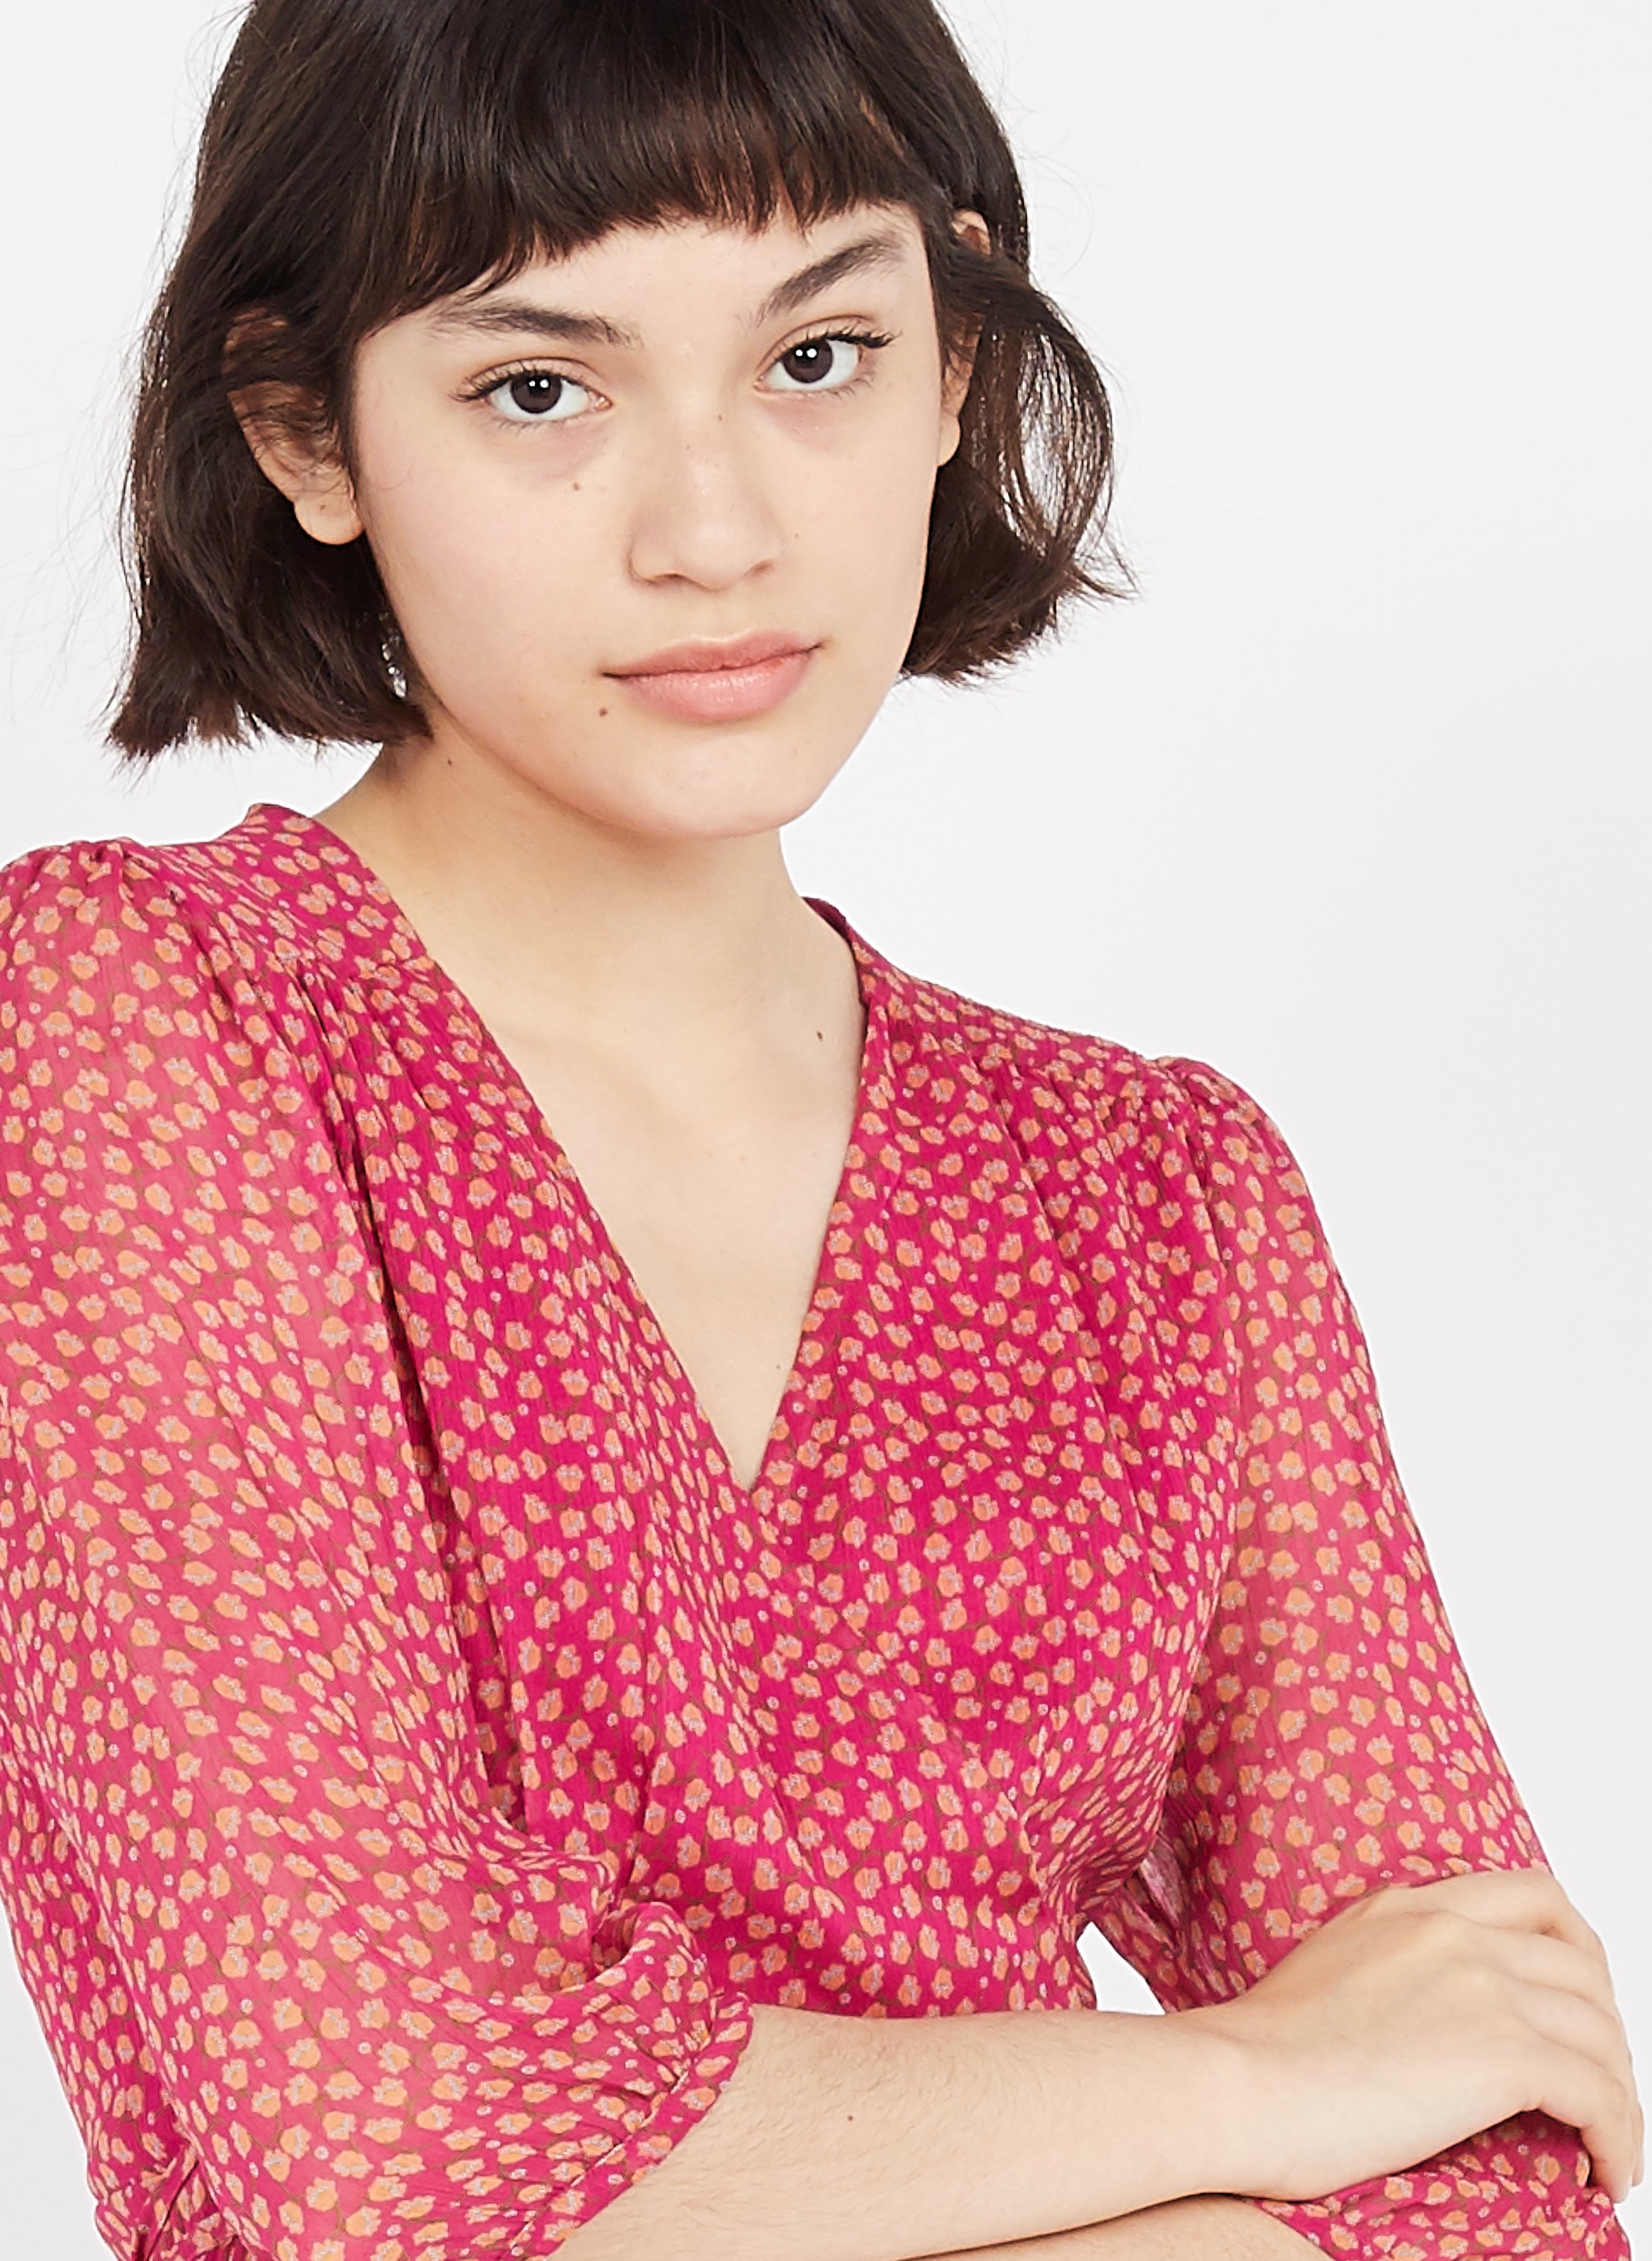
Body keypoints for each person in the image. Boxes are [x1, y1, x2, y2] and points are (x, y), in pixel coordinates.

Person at [0, 1, 1639, 2257]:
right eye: (539, 389)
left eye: (815, 357)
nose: (714, 532)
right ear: (305, 431)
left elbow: (1504, 2146)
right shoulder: (137, 1023)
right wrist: (1256, 2092)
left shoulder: (1154, 1195)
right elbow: (374, 2147)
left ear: (953, 361)